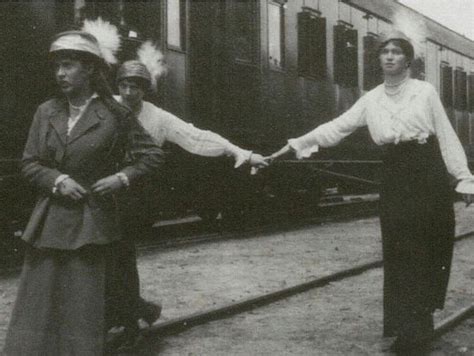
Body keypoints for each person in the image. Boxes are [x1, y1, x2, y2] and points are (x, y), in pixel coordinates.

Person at [269, 30, 474, 351]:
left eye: (396, 52)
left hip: (426, 172)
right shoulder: (372, 98)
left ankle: (420, 323)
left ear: (408, 60)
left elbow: (446, 136)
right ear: (379, 59)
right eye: (385, 52)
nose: (389, 56)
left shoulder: (425, 92)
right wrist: (294, 145)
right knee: (398, 248)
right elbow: (336, 127)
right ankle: (404, 323)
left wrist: (464, 177)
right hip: (394, 174)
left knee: (428, 244)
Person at [3, 29, 163, 355]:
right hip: (49, 222)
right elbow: (30, 162)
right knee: (40, 305)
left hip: (93, 225)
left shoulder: (116, 115)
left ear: (90, 69)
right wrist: (57, 180)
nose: (60, 74)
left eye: (69, 65)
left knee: (81, 307)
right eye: (57, 66)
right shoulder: (45, 111)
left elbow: (152, 155)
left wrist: (121, 177)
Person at [111, 57, 268, 347]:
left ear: (145, 90)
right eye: (124, 85)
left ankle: (131, 323)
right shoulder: (106, 105)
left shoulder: (158, 117)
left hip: (133, 195)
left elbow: (196, 137)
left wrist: (240, 152)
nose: (129, 92)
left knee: (120, 256)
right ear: (117, 86)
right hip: (103, 191)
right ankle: (136, 311)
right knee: (105, 258)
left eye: (136, 86)